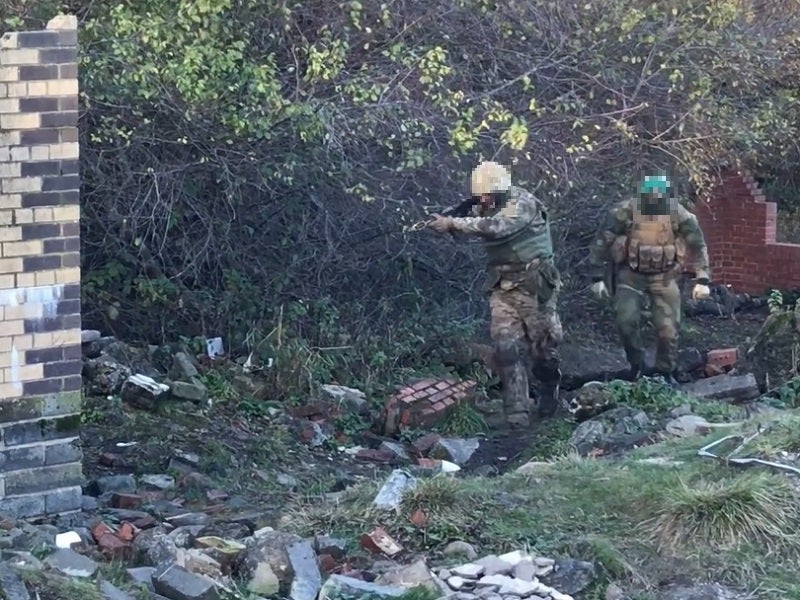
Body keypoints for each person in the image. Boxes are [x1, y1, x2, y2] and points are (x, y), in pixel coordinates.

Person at [427, 160, 563, 428]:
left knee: (543, 350)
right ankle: (516, 413)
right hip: (502, 286)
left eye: (488, 195)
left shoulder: (522, 203)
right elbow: (466, 231)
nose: (484, 200)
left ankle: (549, 390)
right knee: (505, 348)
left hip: (534, 285)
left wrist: (454, 222)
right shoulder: (485, 206)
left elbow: (497, 227)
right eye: (481, 196)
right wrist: (447, 222)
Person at [588, 174, 711, 385]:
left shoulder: (677, 213)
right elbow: (602, 241)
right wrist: (597, 277)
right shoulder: (625, 211)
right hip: (631, 275)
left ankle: (665, 371)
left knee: (668, 328)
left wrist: (702, 279)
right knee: (625, 321)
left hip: (665, 276)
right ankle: (637, 366)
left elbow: (697, 244)